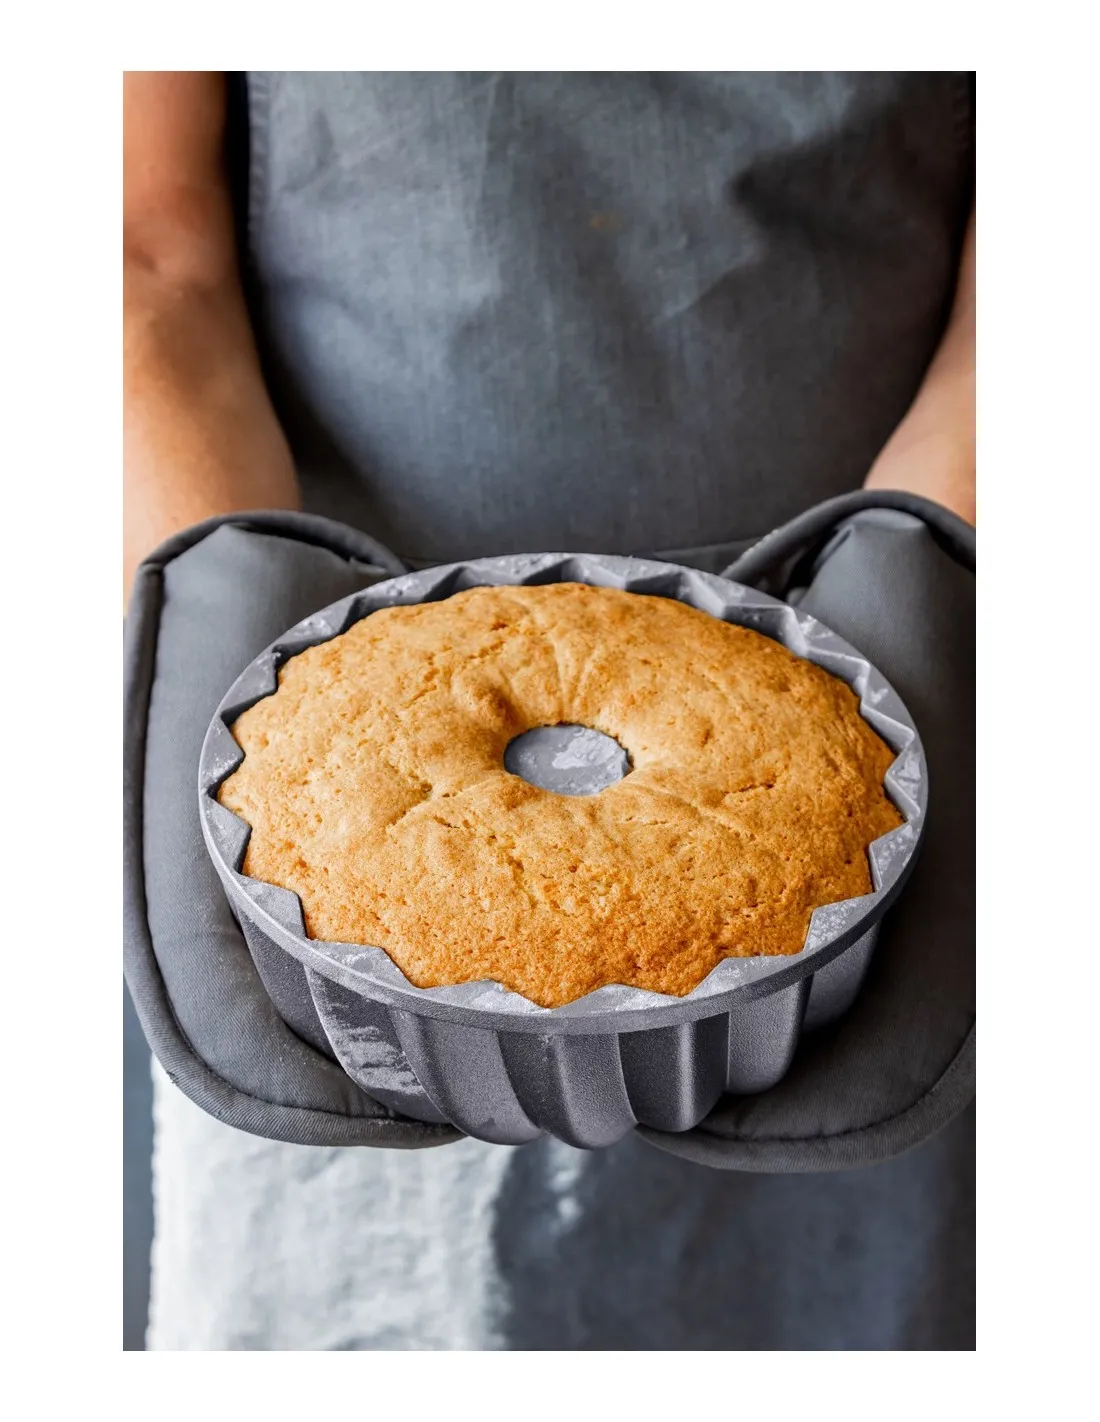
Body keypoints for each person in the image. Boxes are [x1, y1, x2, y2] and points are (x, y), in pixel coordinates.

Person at [124, 71, 975, 1350]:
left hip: (864, 717)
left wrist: (934, 574)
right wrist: (213, 586)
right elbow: (137, 239)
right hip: (328, 749)